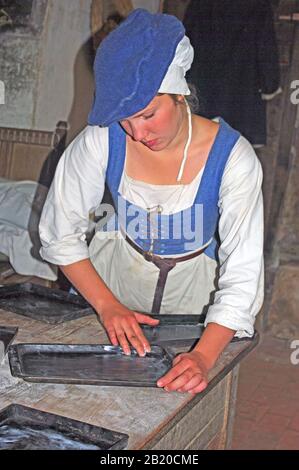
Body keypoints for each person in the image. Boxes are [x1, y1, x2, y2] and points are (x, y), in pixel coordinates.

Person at [39, 8, 264, 395]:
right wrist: (108, 306)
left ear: (179, 92)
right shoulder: (101, 140)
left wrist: (203, 356)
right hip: (112, 283)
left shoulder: (232, 158)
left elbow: (243, 274)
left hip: (194, 304)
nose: (137, 132)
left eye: (147, 114)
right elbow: (61, 235)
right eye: (124, 119)